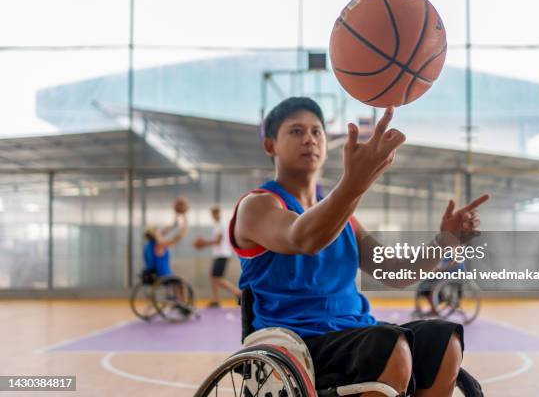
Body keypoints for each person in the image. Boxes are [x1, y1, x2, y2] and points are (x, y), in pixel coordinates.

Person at [229, 97, 489, 396]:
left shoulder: (344, 219)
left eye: (317, 132)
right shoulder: (257, 205)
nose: (309, 139)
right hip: (295, 345)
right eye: (296, 131)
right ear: (270, 145)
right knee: (389, 345)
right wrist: (355, 182)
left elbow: (396, 272)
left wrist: (445, 240)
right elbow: (303, 238)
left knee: (443, 342)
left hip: (353, 334)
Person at [193, 206, 241, 308]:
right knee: (212, 277)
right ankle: (216, 300)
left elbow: (218, 241)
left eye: (215, 213)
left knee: (218, 278)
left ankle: (238, 293)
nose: (214, 215)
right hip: (218, 255)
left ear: (218, 213)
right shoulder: (217, 225)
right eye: (213, 213)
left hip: (223, 254)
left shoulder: (221, 224)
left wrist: (204, 243)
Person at [143, 210, 189, 313]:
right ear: (155, 234)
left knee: (177, 282)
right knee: (182, 283)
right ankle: (183, 304)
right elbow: (177, 237)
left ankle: (179, 303)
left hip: (158, 274)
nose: (161, 232)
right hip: (164, 275)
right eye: (158, 231)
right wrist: (185, 222)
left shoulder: (150, 245)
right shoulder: (160, 245)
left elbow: (164, 231)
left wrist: (175, 221)